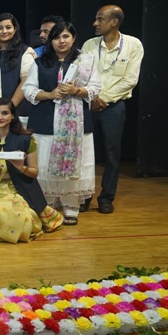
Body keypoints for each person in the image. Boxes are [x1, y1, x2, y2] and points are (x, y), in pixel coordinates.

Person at [23, 22, 100, 225]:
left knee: (74, 164)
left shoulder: (85, 61)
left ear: (73, 38)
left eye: (65, 36)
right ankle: (46, 205)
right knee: (44, 163)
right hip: (46, 120)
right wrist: (49, 94)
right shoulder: (40, 63)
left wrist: (77, 91)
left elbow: (95, 87)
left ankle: (71, 206)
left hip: (77, 125)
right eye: (56, 37)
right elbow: (28, 90)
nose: (61, 41)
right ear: (51, 41)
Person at [80, 5, 144, 214]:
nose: (95, 23)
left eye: (100, 19)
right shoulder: (89, 45)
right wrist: (93, 98)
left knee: (111, 154)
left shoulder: (133, 45)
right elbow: (82, 75)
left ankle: (106, 197)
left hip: (114, 107)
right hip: (89, 104)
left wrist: (104, 98)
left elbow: (130, 80)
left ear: (114, 22)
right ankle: (84, 196)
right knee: (86, 153)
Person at [0, 99, 64, 243]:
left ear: (12, 116)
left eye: (5, 113)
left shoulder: (26, 139)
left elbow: (34, 172)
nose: (0, 117)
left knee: (23, 217)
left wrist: (21, 168)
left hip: (22, 190)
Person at [0, 13, 36, 126]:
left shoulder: (26, 52)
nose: (4, 31)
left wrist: (8, 110)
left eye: (8, 27)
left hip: (17, 113)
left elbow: (25, 82)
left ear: (15, 29)